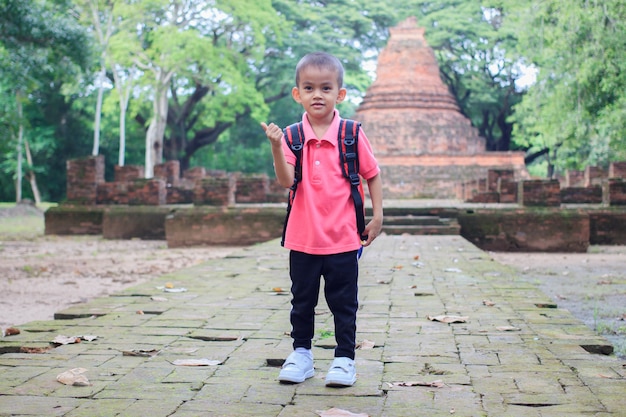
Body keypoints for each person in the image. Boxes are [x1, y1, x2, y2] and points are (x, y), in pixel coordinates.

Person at [261, 52, 383, 387]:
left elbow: (371, 174)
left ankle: (345, 359)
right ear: (297, 93)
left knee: (344, 303)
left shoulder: (351, 133)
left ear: (339, 94)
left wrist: (378, 216)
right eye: (310, 88)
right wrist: (275, 146)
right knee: (301, 302)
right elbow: (286, 181)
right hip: (303, 238)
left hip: (343, 238)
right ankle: (301, 354)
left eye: (326, 88)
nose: (318, 94)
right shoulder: (291, 136)